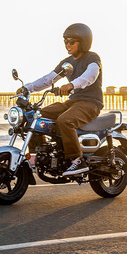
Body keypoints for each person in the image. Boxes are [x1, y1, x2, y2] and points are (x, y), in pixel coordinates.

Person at [19, 23, 103, 176]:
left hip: (90, 103)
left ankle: (77, 160)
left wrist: (71, 85)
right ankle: (41, 155)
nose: (68, 45)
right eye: (66, 41)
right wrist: (27, 88)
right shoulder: (67, 62)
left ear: (83, 42)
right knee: (34, 116)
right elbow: (48, 79)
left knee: (65, 121)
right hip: (72, 102)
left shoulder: (92, 58)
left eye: (72, 42)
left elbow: (90, 76)